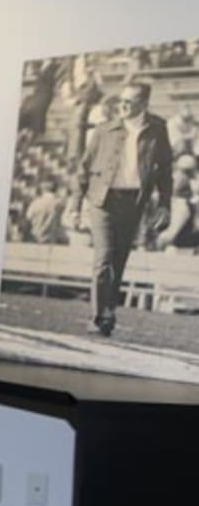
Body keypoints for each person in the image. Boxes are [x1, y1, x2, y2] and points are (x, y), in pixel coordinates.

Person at [73, 81, 172, 335]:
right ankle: (98, 317)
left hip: (134, 202)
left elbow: (166, 171)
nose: (123, 105)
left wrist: (164, 205)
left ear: (144, 104)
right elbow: (83, 169)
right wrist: (75, 206)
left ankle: (108, 312)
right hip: (103, 200)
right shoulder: (105, 130)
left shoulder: (158, 129)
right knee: (104, 257)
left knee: (119, 259)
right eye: (121, 100)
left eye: (130, 101)